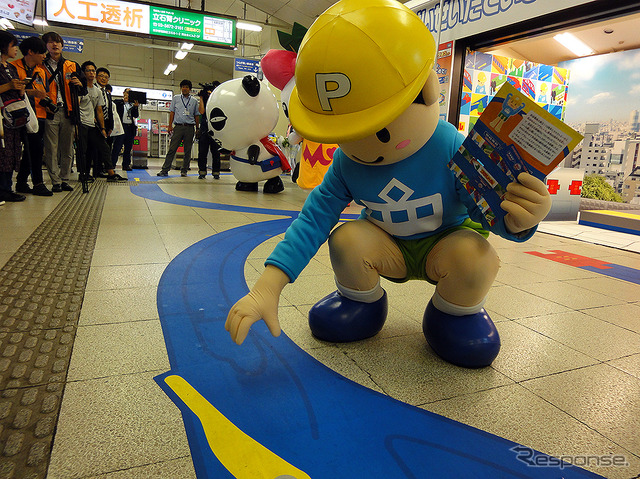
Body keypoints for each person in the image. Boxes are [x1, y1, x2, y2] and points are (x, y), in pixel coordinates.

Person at [225, 0, 551, 369]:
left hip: (444, 246)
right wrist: (269, 286)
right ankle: (360, 302)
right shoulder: (347, 163)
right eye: (345, 134)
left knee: (475, 256)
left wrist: (518, 219)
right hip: (387, 247)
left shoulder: (451, 147)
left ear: (427, 91)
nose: (358, 147)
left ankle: (453, 313)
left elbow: (485, 208)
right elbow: (314, 218)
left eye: (375, 130)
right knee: (347, 239)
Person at [11, 35, 53, 196]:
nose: (44, 56)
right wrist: (32, 92)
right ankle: (37, 183)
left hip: (38, 115)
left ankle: (23, 182)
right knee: (27, 149)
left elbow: (44, 92)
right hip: (19, 115)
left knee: (34, 149)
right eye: (42, 52)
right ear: (30, 52)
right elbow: (13, 91)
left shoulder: (40, 71)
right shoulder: (13, 67)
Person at [41, 31, 82, 193]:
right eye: (51, 42)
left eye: (57, 42)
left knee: (67, 148)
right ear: (46, 46)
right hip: (49, 111)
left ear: (62, 45)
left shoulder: (71, 65)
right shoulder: (40, 65)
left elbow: (82, 90)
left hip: (68, 111)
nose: (55, 45)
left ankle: (65, 179)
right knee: (51, 148)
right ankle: (55, 181)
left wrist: (80, 84)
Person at [74, 60, 125, 183]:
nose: (91, 73)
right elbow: (75, 106)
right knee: (83, 150)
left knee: (104, 147)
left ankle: (111, 173)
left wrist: (102, 128)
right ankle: (83, 174)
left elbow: (100, 111)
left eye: (93, 70)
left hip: (93, 125)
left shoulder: (97, 91)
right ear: (83, 73)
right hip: (81, 123)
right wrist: (75, 125)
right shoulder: (79, 88)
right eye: (88, 70)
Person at [0, 31, 26, 202]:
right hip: (2, 116)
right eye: (13, 45)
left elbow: (17, 92)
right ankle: (2, 189)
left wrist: (21, 89)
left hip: (14, 117)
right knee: (2, 153)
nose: (16, 49)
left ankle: (7, 187)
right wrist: (8, 85)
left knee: (12, 152)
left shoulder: (11, 68)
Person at [157, 79, 199, 177]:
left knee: (187, 150)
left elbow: (196, 115)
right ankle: (165, 170)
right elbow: (172, 112)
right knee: (172, 149)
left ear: (190, 89)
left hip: (189, 128)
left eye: (187, 87)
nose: (184, 89)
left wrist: (197, 128)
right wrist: (169, 125)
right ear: (180, 88)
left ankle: (184, 170)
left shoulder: (194, 101)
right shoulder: (176, 98)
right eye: (183, 87)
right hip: (178, 127)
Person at [197, 81, 221, 179]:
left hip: (216, 128)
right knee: (202, 152)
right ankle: (202, 171)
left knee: (216, 152)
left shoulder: (219, 99)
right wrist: (202, 97)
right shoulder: (205, 97)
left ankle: (216, 172)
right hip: (204, 128)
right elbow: (201, 111)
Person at [114, 87, 138, 170]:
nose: (128, 94)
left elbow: (136, 115)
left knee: (128, 148)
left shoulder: (132, 104)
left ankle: (126, 165)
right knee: (117, 147)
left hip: (130, 127)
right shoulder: (118, 102)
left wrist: (135, 107)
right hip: (121, 126)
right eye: (127, 92)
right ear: (124, 93)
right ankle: (112, 165)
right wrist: (124, 101)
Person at [105, 84, 124, 169]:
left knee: (116, 147)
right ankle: (106, 165)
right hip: (108, 126)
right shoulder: (117, 102)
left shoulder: (132, 105)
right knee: (107, 147)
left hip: (119, 128)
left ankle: (111, 165)